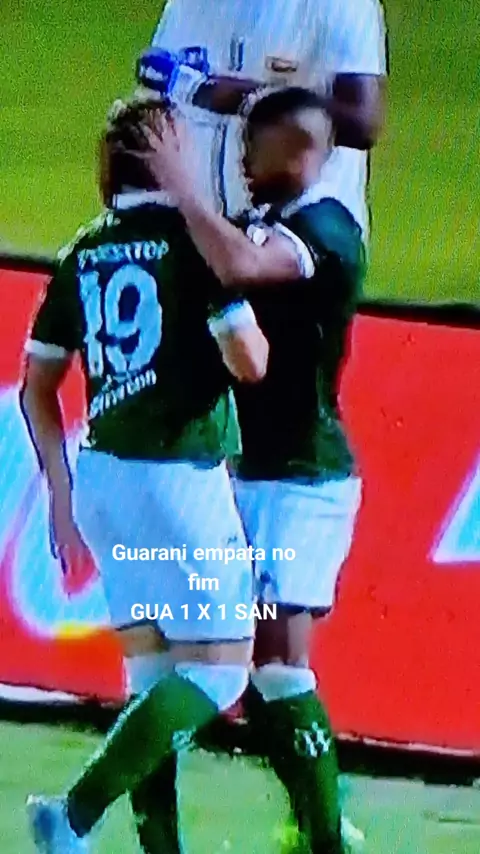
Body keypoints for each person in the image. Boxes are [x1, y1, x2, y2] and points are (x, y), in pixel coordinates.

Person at [23, 95, 269, 854]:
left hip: (102, 478)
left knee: (153, 674)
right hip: (178, 477)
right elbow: (251, 361)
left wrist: (60, 496)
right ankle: (73, 813)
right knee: (221, 673)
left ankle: (159, 848)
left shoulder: (83, 249)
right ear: (168, 158)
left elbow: (38, 386)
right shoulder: (193, 241)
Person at [135, 86, 366, 854]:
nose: (239, 155)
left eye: (252, 143)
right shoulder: (266, 221)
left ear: (299, 151)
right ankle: (312, 820)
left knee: (274, 665)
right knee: (242, 672)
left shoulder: (326, 228)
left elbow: (236, 262)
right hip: (246, 470)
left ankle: (326, 837)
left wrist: (182, 185)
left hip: (303, 479)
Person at [137, 0, 387, 235]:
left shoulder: (341, 6)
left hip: (300, 233)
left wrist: (238, 97)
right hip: (193, 229)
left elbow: (361, 122)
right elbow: (158, 102)